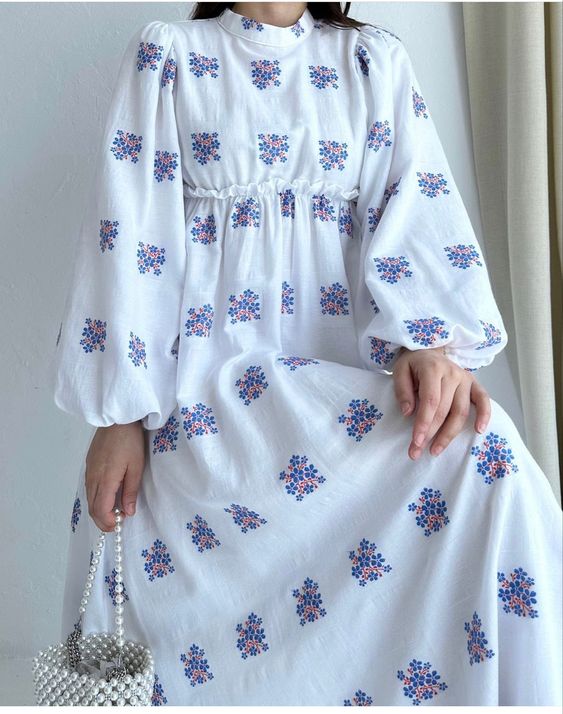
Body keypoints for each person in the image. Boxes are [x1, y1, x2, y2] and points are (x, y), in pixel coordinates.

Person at [50, 1, 562, 706]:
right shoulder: (170, 56)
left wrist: (426, 342)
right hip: (205, 407)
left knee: (486, 451)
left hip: (330, 402)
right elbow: (131, 230)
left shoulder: (369, 62)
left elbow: (413, 204)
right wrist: (120, 414)